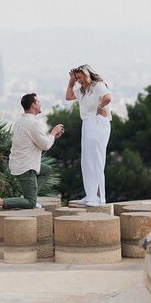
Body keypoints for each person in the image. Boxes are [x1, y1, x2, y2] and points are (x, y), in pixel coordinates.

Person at [0, 93, 64, 210]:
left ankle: (27, 196)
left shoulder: (20, 121)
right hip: (26, 166)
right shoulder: (33, 123)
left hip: (19, 162)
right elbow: (45, 145)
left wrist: (53, 137)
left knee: (46, 170)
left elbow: (39, 140)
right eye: (38, 102)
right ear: (33, 105)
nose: (40, 104)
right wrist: (53, 133)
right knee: (30, 203)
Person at [66, 64, 112, 206]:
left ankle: (99, 197)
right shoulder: (82, 90)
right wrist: (71, 82)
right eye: (77, 78)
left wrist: (100, 107)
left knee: (96, 159)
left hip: (98, 123)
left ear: (87, 74)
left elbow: (108, 97)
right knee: (87, 160)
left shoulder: (97, 86)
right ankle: (91, 194)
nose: (79, 80)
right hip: (87, 123)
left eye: (80, 77)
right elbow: (69, 96)